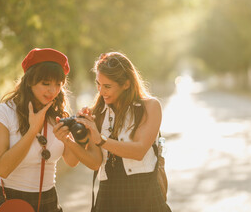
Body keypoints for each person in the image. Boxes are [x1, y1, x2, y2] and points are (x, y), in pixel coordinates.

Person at [56, 52, 171, 212]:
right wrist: (69, 141)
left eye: (107, 86)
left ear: (126, 84)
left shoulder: (150, 107)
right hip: (108, 196)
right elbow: (95, 163)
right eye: (98, 84)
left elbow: (139, 151)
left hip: (144, 192)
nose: (101, 91)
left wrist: (100, 139)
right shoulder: (96, 113)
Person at [0, 48, 79, 212]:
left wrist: (79, 136)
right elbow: (2, 169)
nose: (52, 91)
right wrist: (32, 131)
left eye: (58, 84)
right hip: (12, 203)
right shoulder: (3, 112)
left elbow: (72, 161)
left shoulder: (57, 116)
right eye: (46, 83)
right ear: (29, 81)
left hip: (49, 201)